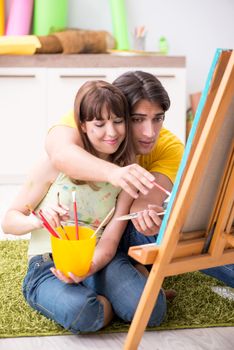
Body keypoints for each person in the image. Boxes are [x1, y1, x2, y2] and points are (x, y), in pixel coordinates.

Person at [1, 80, 167, 333]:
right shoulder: (55, 163)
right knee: (82, 313)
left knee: (151, 312)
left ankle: (112, 287)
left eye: (118, 121)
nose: (111, 133)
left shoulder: (126, 176)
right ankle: (104, 301)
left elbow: (110, 241)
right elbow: (9, 221)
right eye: (99, 124)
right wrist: (37, 220)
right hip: (49, 264)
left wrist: (89, 269)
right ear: (83, 126)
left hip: (99, 261)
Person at [45, 71, 234, 288]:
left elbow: (143, 205)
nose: (149, 133)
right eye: (137, 119)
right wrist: (115, 173)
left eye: (158, 118)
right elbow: (59, 154)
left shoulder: (170, 148)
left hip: (121, 227)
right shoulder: (93, 116)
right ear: (118, 113)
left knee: (182, 231)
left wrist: (150, 220)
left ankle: (135, 268)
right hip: (82, 229)